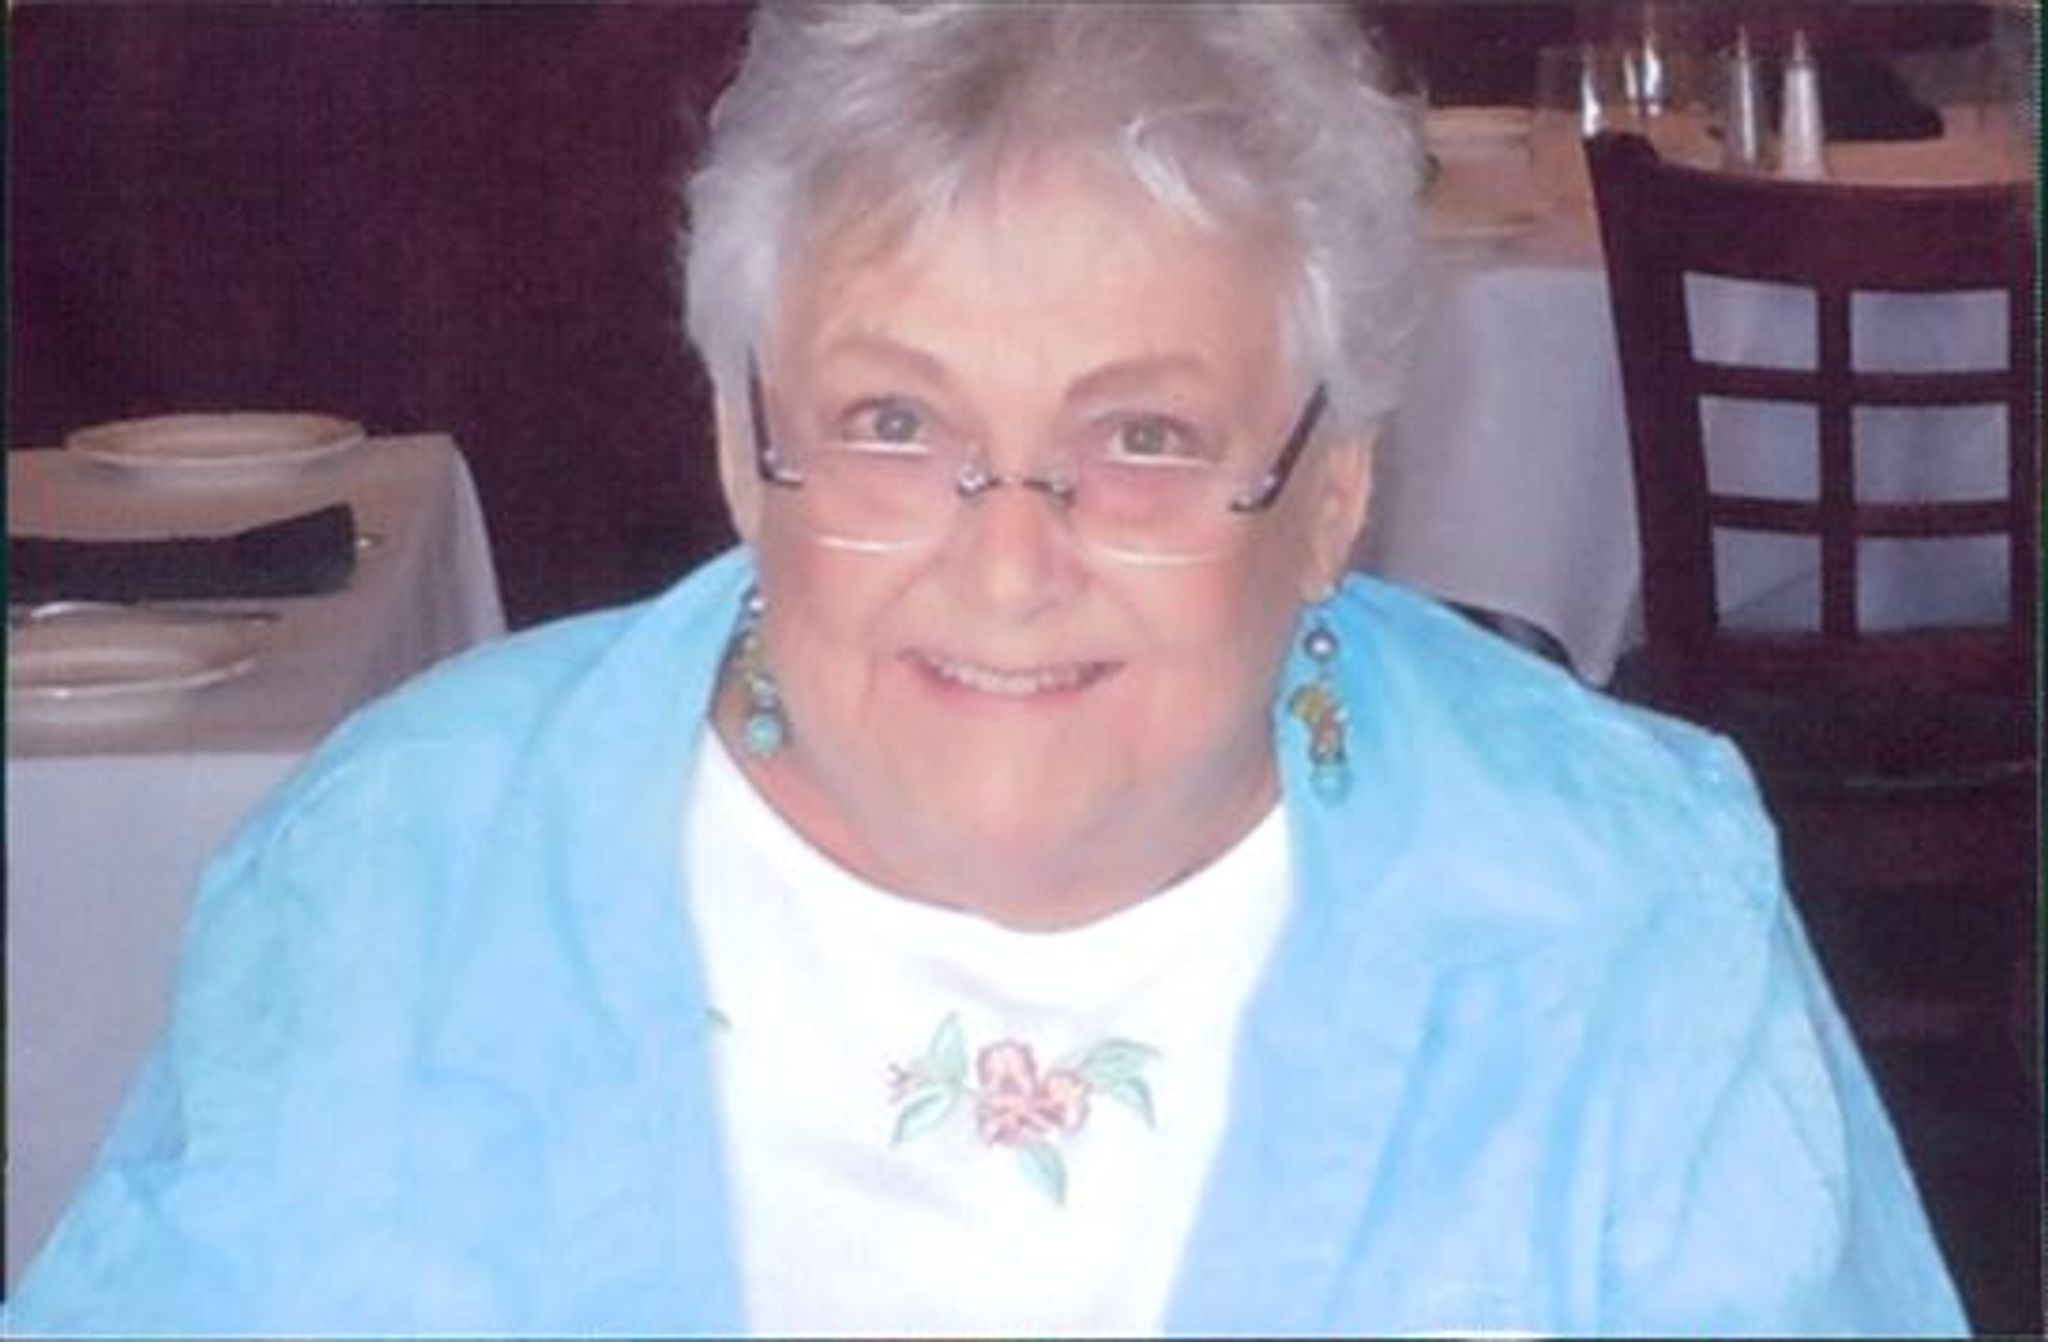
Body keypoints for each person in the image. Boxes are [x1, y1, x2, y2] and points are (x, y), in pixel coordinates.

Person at [6, 3, 1965, 1335]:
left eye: (1143, 437)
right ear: (738, 444)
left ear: (1331, 494)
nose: (1010, 559)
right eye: (891, 422)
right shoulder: (400, 876)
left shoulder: (1615, 911)